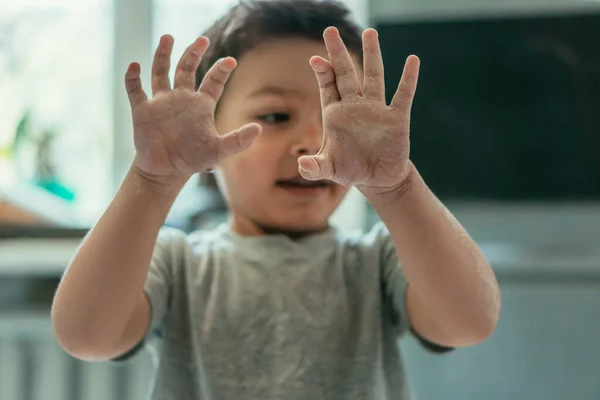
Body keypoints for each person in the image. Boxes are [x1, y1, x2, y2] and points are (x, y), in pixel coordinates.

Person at [51, 1, 501, 399]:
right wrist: (152, 182)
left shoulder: (378, 260)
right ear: (208, 129)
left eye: (334, 119)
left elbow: (470, 321)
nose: (312, 141)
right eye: (275, 116)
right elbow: (86, 335)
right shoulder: (178, 264)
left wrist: (396, 186)